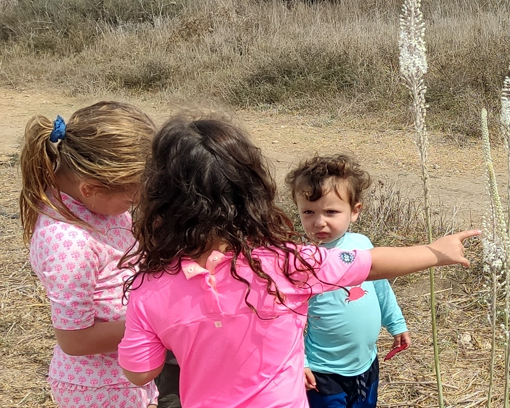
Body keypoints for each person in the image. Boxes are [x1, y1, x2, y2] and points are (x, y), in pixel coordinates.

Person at [117, 115, 476, 408]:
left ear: (158, 201)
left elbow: (139, 372)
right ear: (254, 193)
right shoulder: (287, 264)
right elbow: (371, 264)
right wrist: (435, 251)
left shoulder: (147, 287)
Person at [19, 101, 158, 408]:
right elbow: (75, 340)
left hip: (124, 373)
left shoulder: (97, 207)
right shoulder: (68, 242)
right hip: (100, 389)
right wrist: (160, 323)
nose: (135, 205)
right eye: (131, 199)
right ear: (90, 188)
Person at [286, 155, 409, 408]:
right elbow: (289, 321)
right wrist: (301, 362)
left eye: (331, 212)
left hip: (366, 363)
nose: (319, 222)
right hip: (322, 371)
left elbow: (381, 289)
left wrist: (396, 323)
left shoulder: (362, 245)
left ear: (355, 211)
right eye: (308, 212)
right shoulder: (301, 261)